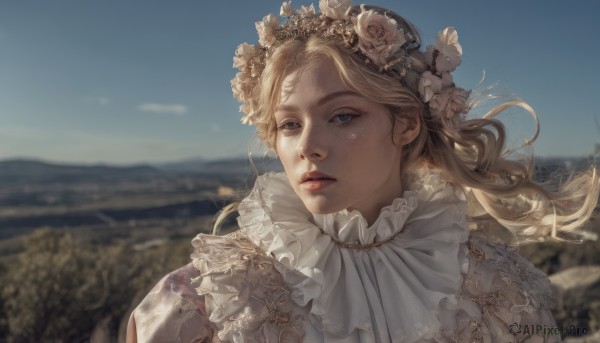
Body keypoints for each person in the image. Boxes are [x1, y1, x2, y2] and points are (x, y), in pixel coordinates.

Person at [126, 1, 599, 342]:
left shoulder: (497, 284)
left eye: (342, 116)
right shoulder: (203, 302)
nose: (308, 146)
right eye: (289, 124)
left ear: (407, 124)